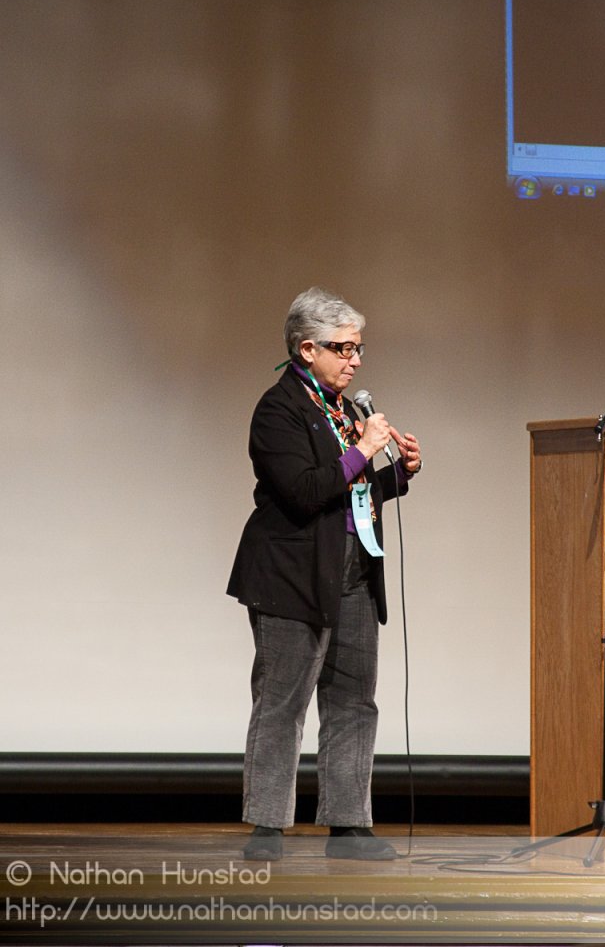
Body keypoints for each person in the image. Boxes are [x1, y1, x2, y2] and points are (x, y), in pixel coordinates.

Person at [227, 286, 422, 861]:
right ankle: (267, 827)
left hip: (354, 571)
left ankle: (348, 825)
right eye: (344, 349)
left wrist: (400, 471)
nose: (355, 360)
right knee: (283, 700)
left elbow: (354, 493)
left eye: (359, 348)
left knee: (354, 701)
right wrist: (362, 450)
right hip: (292, 575)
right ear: (306, 348)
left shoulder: (344, 408)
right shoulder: (278, 409)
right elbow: (306, 490)